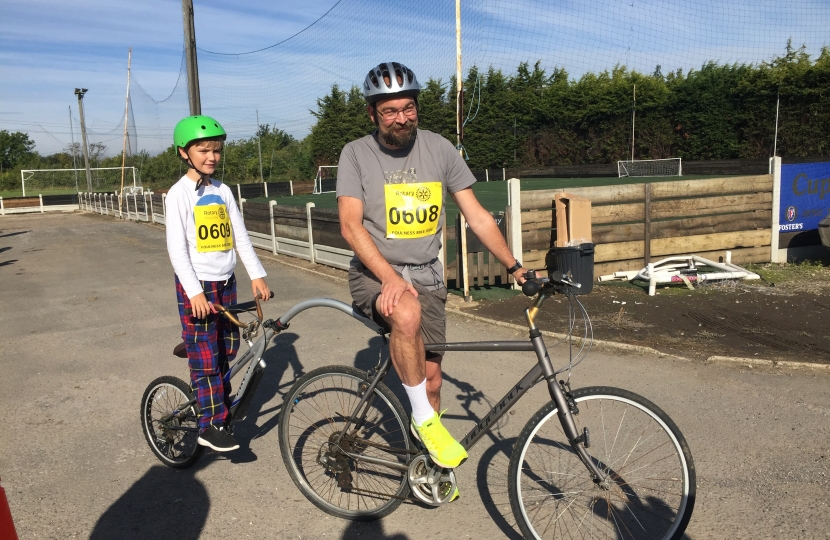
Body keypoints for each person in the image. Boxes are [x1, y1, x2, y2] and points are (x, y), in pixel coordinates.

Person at [337, 62, 526, 479]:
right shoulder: (355, 153)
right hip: (375, 272)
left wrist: (514, 266)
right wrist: (389, 278)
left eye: (408, 108)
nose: (401, 118)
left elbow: (476, 216)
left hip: (427, 275)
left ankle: (426, 463)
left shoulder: (441, 149)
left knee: (434, 380)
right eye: (389, 111)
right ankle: (424, 422)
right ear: (372, 114)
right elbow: (350, 225)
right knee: (405, 312)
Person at [165, 115, 271, 452]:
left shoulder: (222, 191)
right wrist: (194, 292)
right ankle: (209, 425)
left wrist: (256, 274)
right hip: (197, 285)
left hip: (226, 283)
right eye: (203, 150)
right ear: (185, 152)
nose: (211, 157)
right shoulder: (178, 195)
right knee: (209, 360)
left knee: (228, 349)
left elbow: (239, 236)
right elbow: (176, 249)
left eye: (216, 151)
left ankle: (198, 351)